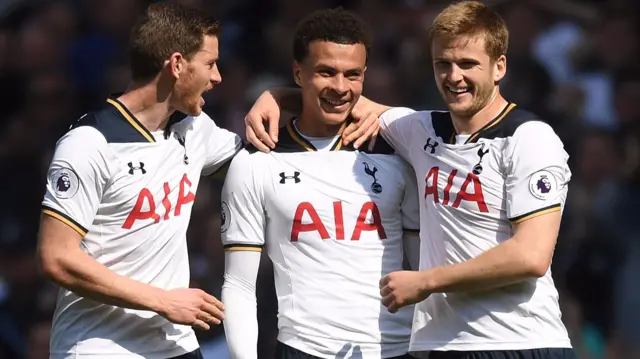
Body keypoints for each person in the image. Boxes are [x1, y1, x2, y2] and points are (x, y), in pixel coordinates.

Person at [243, 1, 577, 359]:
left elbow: (531, 256)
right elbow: (341, 99)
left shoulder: (529, 138)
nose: (454, 76)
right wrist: (275, 97)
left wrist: (427, 280)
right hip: (443, 345)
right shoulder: (420, 129)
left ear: (499, 67)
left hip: (520, 341)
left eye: (468, 64)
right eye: (443, 64)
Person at [36, 3, 242, 358]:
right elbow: (56, 257)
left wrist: (278, 97)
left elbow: (268, 162)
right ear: (177, 65)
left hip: (173, 343)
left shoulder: (195, 129)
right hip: (99, 347)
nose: (218, 76)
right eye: (210, 64)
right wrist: (161, 300)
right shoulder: (90, 143)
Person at [220, 8, 420, 359]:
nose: (340, 87)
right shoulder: (257, 160)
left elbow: (421, 265)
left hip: (396, 350)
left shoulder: (399, 149)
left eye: (352, 74)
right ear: (298, 72)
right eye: (326, 72)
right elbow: (238, 284)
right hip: (303, 350)